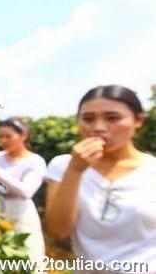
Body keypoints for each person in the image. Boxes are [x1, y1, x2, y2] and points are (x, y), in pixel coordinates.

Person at [44, 85, 156, 273]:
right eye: (88, 119)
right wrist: (75, 171)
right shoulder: (63, 166)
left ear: (138, 121)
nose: (98, 128)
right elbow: (58, 231)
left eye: (113, 118)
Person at [0, 117, 46, 268]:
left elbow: (26, 191)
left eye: (8, 136)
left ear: (23, 136)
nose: (3, 140)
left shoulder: (35, 161)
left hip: (21, 212)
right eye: (0, 136)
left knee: (27, 254)